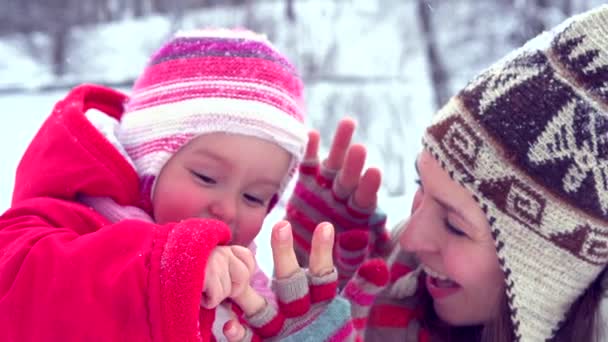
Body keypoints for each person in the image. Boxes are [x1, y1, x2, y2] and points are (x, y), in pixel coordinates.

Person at [225, 4, 608, 342]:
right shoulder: (401, 286)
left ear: (548, 274)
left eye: (456, 225)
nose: (410, 235)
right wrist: (336, 282)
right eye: (421, 187)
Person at [0, 28, 389, 341]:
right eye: (206, 177)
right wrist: (167, 268)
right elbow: (18, 292)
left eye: (255, 197)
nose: (228, 208)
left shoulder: (246, 289)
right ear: (149, 162)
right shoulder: (66, 220)